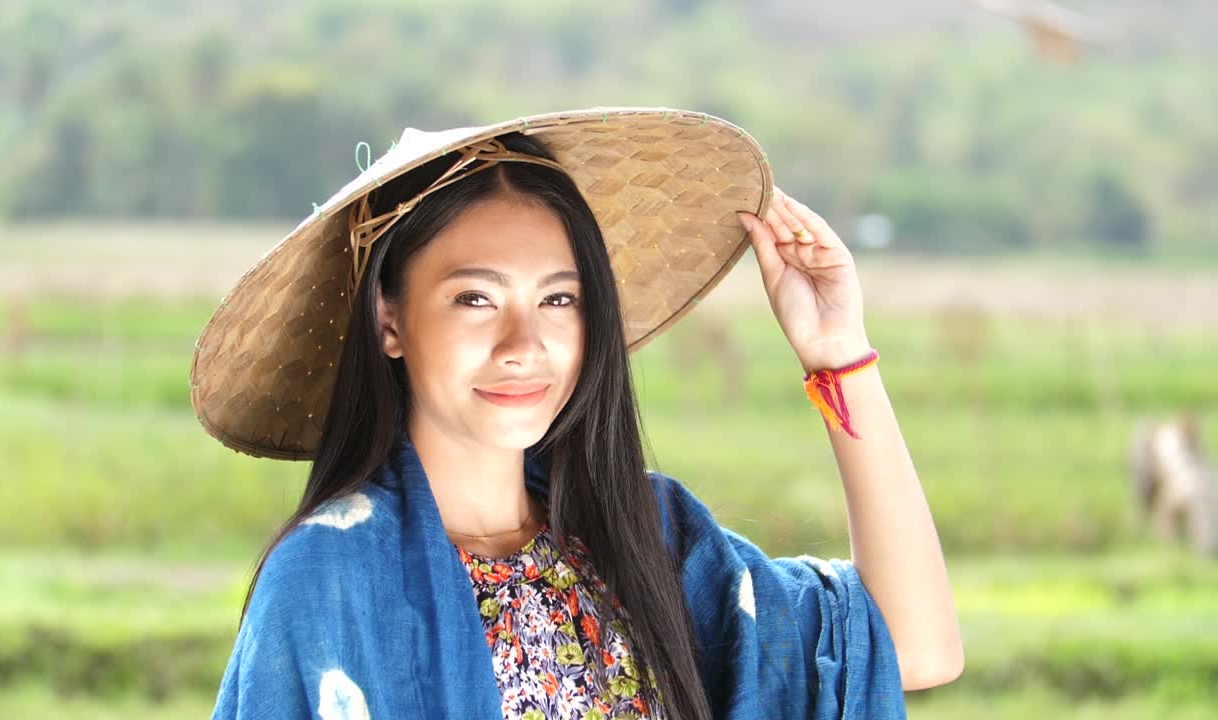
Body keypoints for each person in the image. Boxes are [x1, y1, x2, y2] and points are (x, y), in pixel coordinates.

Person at [192, 108, 963, 720]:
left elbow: (916, 647)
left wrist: (840, 355)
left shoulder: (646, 540)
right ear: (389, 321)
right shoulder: (327, 584)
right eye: (475, 299)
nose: (524, 344)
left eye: (558, 299)